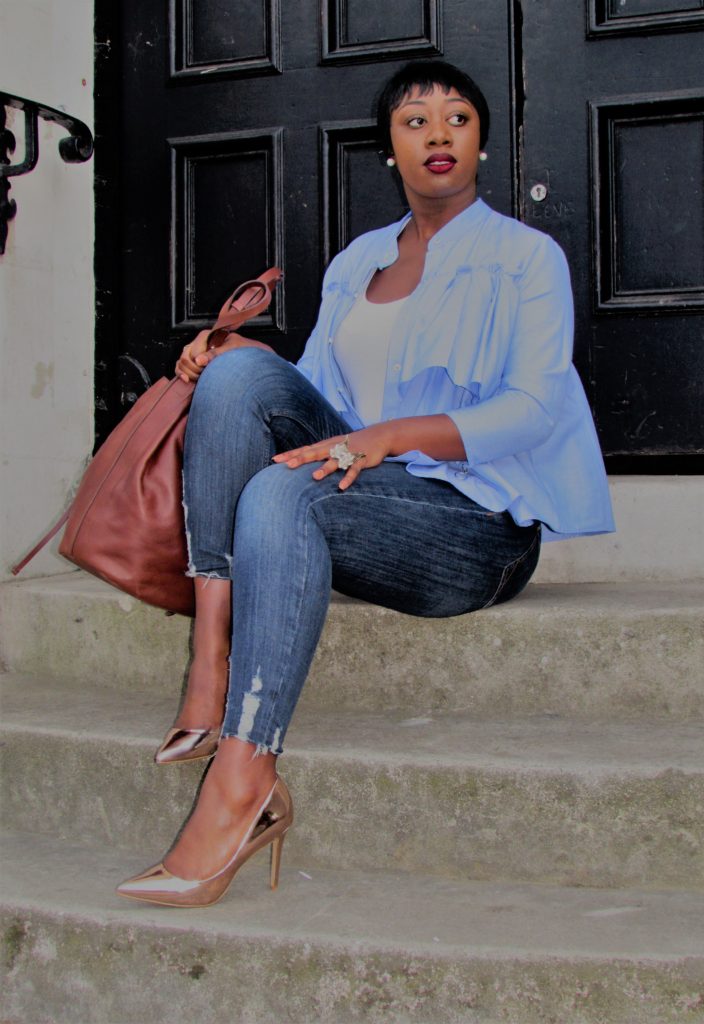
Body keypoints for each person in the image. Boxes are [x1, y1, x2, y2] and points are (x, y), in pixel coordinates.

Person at [117, 61, 614, 907]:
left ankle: (244, 773)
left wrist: (389, 438)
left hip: (473, 529)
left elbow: (531, 410)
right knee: (236, 377)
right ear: (389, 149)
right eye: (415, 121)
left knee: (279, 495)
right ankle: (210, 655)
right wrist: (230, 358)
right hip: (368, 493)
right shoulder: (357, 263)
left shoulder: (527, 258)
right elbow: (316, 397)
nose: (437, 135)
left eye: (457, 119)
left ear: (481, 144)